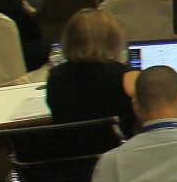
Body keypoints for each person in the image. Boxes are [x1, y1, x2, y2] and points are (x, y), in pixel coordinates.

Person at [46, 7, 137, 135]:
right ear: (113, 39)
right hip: (119, 151)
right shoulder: (129, 78)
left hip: (73, 152)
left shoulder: (55, 78)